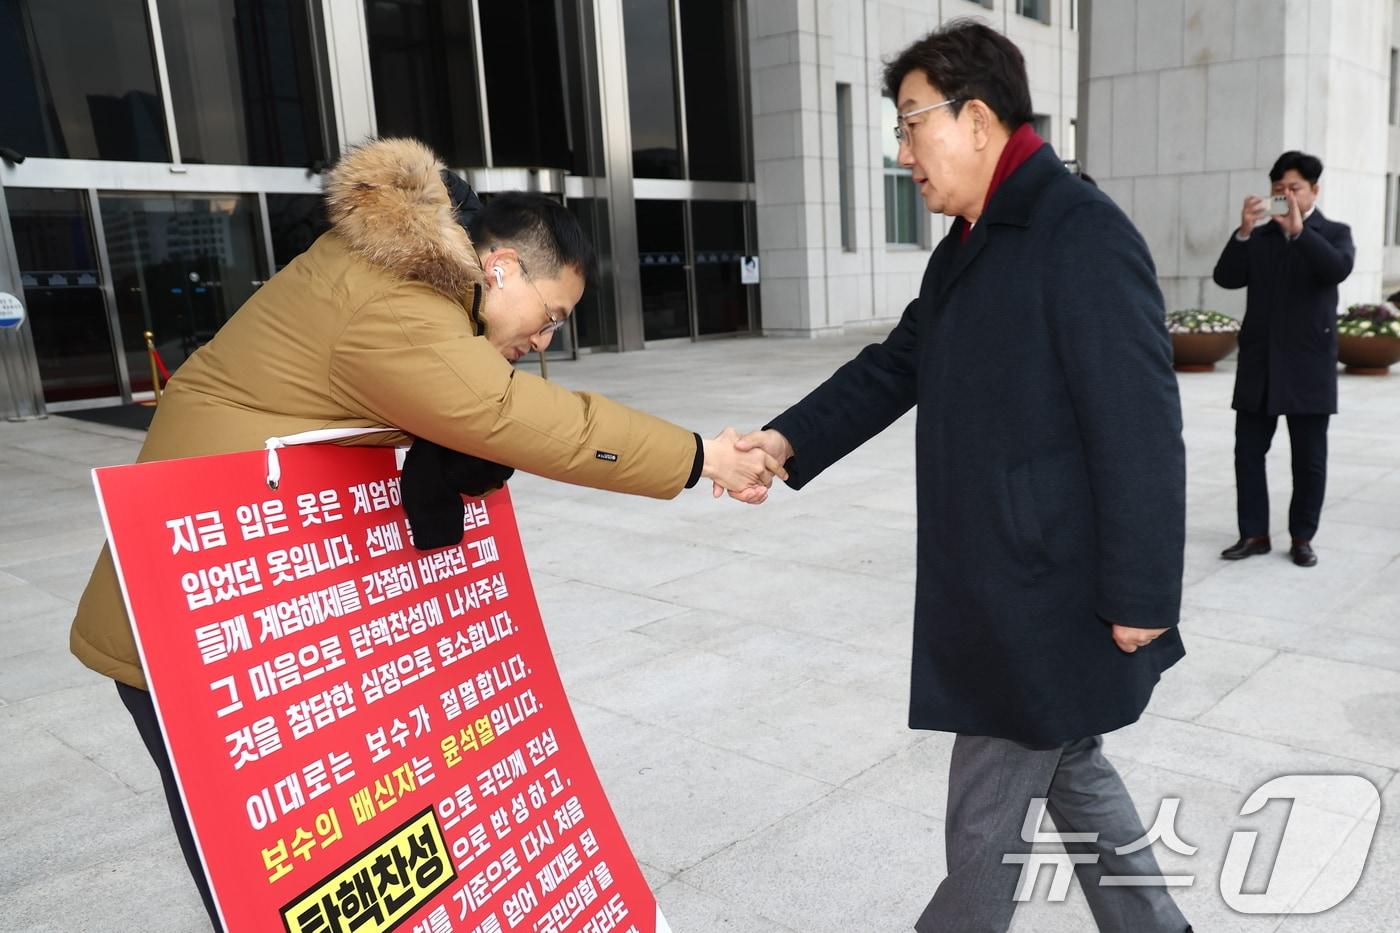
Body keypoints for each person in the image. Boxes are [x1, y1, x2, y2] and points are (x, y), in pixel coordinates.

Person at [68, 137, 782, 930]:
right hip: (199, 624)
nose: (545, 342)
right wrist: (700, 457)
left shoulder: (405, 283)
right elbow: (509, 414)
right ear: (501, 265)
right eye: (551, 318)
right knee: (265, 867)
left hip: (247, 613)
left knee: (327, 849)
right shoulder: (394, 299)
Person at [729, 21, 1191, 933]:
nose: (902, 152)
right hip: (999, 575)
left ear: (977, 119)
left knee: (985, 816)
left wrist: (1144, 591)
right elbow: (898, 364)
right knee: (1071, 765)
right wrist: (784, 442)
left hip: (1044, 591)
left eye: (911, 124)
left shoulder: (1079, 234)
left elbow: (1142, 427)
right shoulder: (972, 242)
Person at [1213, 150, 1354, 568]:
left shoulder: (1333, 233)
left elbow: (1336, 269)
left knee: (1308, 460)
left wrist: (1299, 232)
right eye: (1279, 189)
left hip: (1308, 366)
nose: (1286, 195)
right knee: (1247, 454)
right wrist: (1243, 230)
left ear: (1314, 190)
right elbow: (1226, 277)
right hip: (1260, 364)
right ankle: (1253, 533)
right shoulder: (1258, 237)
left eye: (1294, 188)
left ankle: (1302, 537)